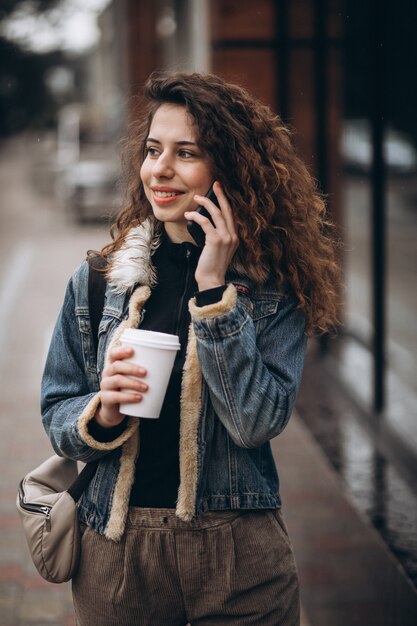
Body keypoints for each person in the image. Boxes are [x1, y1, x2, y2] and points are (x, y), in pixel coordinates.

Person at [41, 71, 340, 626]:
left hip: (240, 557)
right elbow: (56, 410)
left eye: (187, 153)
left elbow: (255, 423)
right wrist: (101, 411)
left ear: (228, 169)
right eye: (154, 150)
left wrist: (213, 294)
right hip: (118, 552)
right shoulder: (99, 281)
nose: (161, 169)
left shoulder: (272, 290)